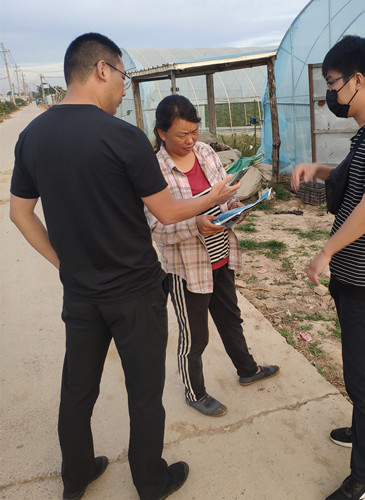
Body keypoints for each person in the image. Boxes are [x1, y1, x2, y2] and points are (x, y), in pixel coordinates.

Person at [10, 33, 240, 500]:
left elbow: (20, 213)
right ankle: (150, 482)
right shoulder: (122, 136)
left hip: (81, 293)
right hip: (135, 293)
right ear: (102, 69)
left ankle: (76, 476)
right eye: (122, 76)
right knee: (144, 392)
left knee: (78, 390)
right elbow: (167, 212)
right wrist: (213, 196)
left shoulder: (32, 136)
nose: (122, 88)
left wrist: (63, 263)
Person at [291, 35, 365, 500]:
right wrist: (316, 169)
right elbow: (351, 178)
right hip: (358, 273)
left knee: (360, 374)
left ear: (357, 80)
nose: (330, 93)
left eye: (332, 82)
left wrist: (325, 251)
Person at [145, 95, 279, 417]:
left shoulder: (206, 153)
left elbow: (224, 197)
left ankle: (247, 369)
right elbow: (157, 228)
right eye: (182, 134)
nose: (191, 140)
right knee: (195, 335)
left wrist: (236, 208)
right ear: (162, 132)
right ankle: (195, 392)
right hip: (186, 269)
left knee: (231, 318)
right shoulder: (154, 169)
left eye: (194, 131)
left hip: (220, 255)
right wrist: (195, 224)